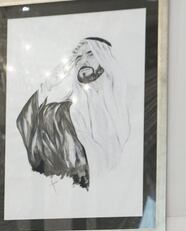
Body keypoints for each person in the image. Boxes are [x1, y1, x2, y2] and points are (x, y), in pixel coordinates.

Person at [16, 36, 130, 189]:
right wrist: (49, 83)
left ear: (105, 58)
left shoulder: (127, 106)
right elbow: (27, 122)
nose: (83, 61)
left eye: (90, 54)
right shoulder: (57, 115)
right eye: (78, 58)